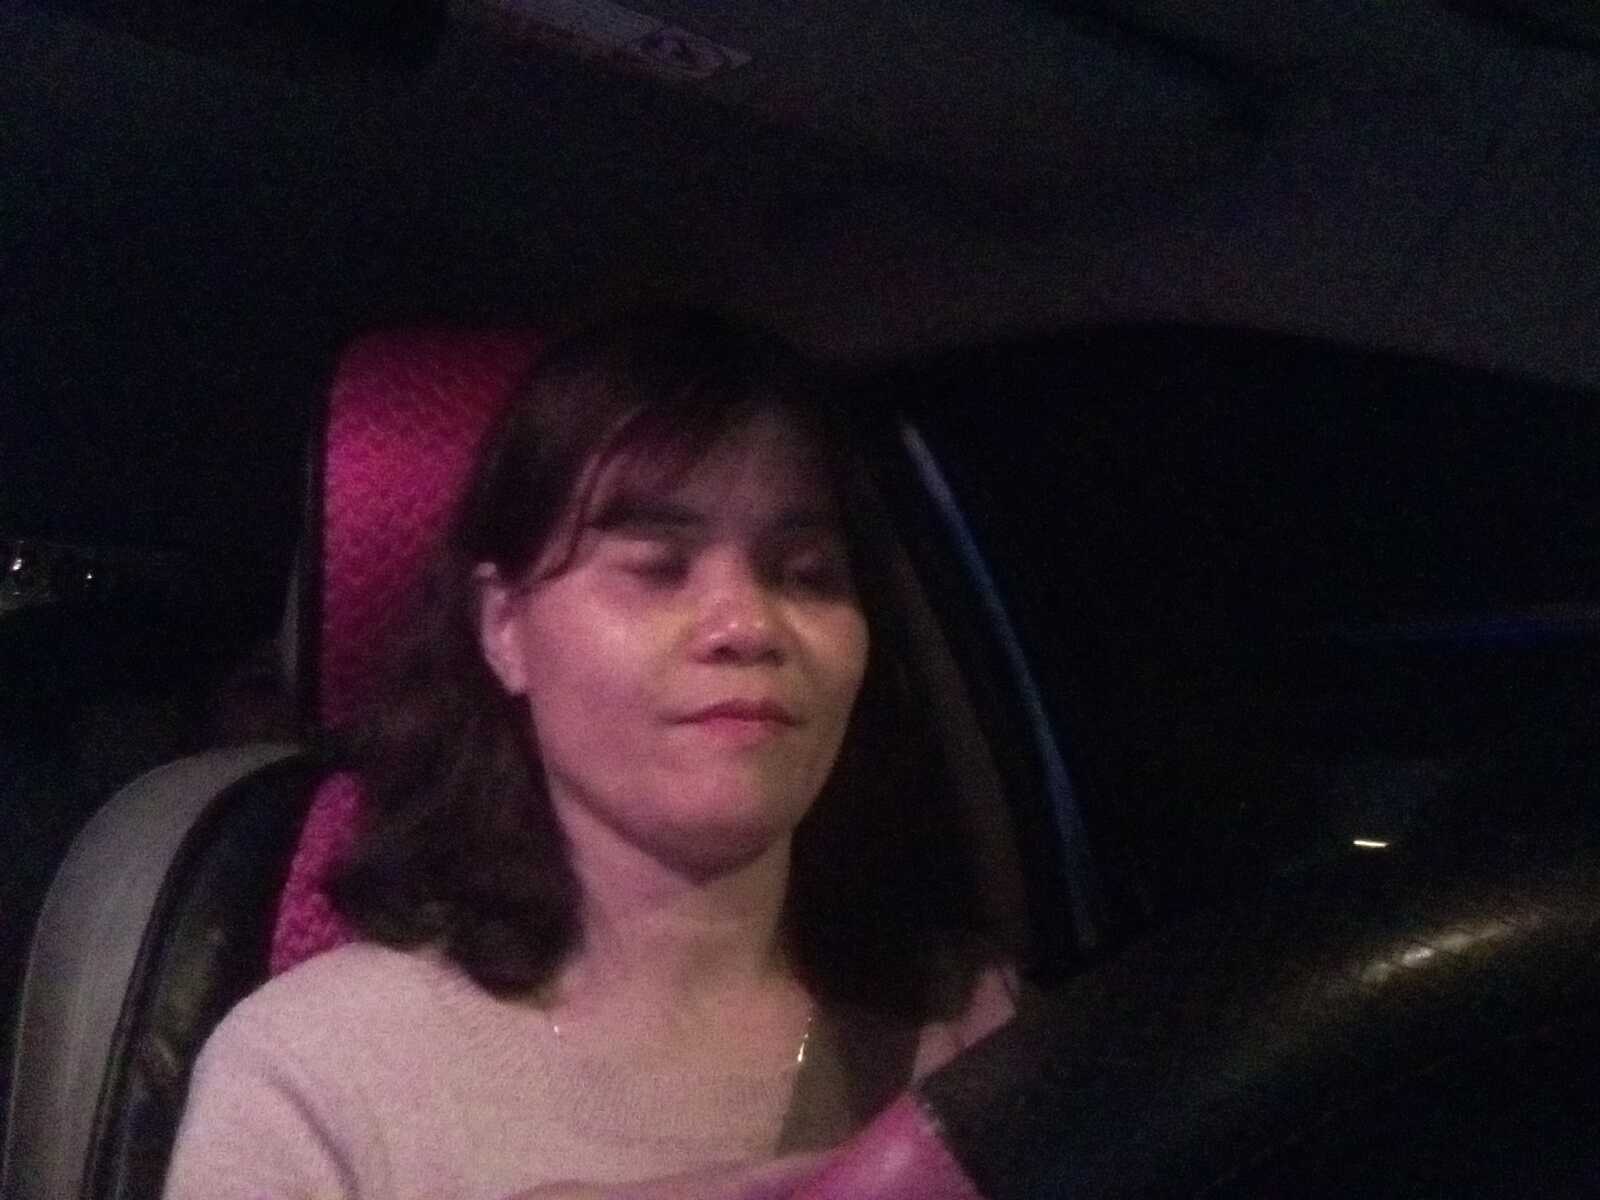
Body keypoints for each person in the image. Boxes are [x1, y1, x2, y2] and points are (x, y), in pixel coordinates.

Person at [163, 311, 1015, 1200]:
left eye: (807, 575)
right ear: (506, 628)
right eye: (657, 567)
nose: (748, 625)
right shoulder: (317, 1077)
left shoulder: (967, 1033)